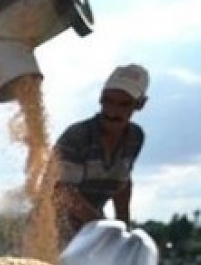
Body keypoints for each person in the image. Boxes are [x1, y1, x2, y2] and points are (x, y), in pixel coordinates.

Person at [49, 63, 149, 250]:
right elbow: (62, 191)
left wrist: (123, 230)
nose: (112, 112)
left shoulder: (135, 137)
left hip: (89, 229)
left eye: (123, 104)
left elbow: (123, 183)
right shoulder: (78, 136)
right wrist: (103, 228)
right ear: (100, 99)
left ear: (140, 104)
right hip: (51, 226)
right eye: (108, 101)